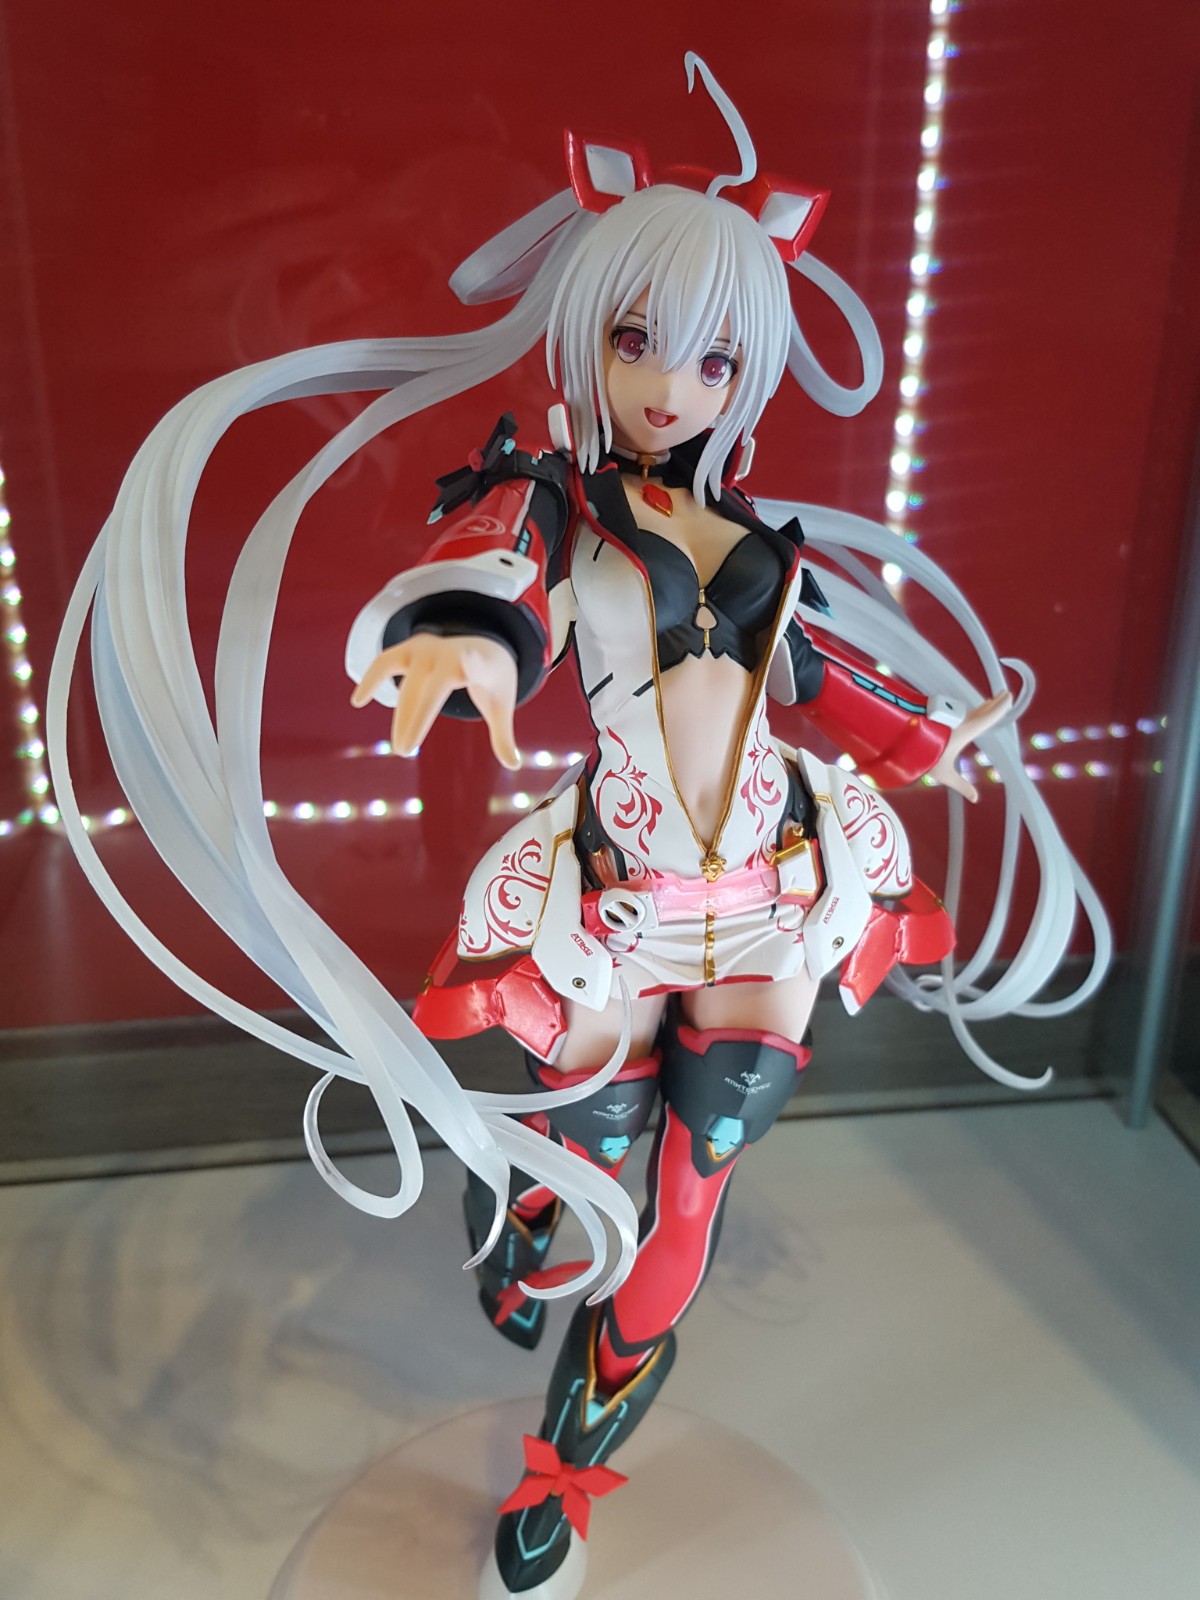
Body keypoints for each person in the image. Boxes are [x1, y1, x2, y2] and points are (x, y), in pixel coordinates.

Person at [49, 54, 1110, 1600]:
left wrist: (929, 735)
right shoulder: (554, 503)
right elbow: (497, 583)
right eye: (635, 342)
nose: (673, 386)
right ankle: (519, 1204)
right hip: (613, 904)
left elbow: (821, 671)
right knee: (584, 1159)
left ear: (749, 372)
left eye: (713, 359)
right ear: (587, 338)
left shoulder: (758, 541)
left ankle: (565, 1468)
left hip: (769, 898)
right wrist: (468, 647)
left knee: (700, 1178)